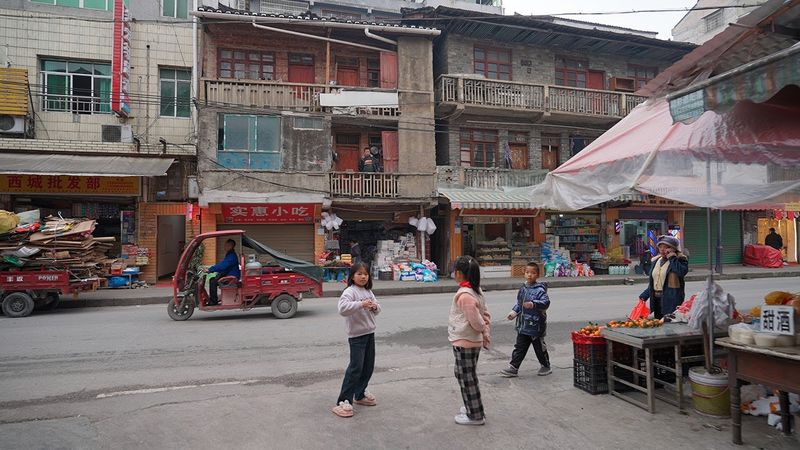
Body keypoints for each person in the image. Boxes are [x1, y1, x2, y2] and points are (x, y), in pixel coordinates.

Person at [332, 262, 381, 418]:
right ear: (352, 276)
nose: (363, 276)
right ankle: (343, 400)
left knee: (368, 367)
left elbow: (378, 308)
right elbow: (343, 309)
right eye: (359, 274)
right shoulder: (350, 292)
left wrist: (374, 307)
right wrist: (361, 304)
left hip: (369, 333)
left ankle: (359, 394)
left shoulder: (368, 291)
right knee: (355, 368)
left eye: (365, 274)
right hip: (356, 336)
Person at [449, 255, 491, 426]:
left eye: (454, 272)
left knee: (466, 377)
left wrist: (483, 330)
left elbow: (476, 320)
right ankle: (472, 406)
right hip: (471, 341)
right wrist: (485, 331)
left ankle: (475, 415)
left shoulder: (465, 295)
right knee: (466, 375)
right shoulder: (476, 290)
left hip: (465, 341)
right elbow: (485, 315)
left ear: (459, 273)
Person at [500, 262, 551, 378]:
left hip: (535, 326)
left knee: (539, 348)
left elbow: (546, 303)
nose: (529, 275)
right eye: (528, 272)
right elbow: (519, 304)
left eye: (533, 273)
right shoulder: (523, 289)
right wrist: (513, 312)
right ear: (524, 273)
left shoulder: (540, 290)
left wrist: (533, 304)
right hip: (523, 325)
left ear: (537, 275)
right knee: (519, 347)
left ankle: (546, 365)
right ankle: (514, 367)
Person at [639, 235, 689, 319]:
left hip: (671, 301)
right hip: (656, 300)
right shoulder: (656, 261)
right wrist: (644, 296)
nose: (662, 249)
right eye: (660, 247)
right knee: (658, 325)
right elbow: (654, 282)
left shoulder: (680, 260)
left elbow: (681, 272)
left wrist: (672, 258)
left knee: (670, 328)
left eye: (666, 247)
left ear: (673, 249)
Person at [205, 239, 240, 306]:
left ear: (230, 246)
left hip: (231, 278)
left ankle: (213, 301)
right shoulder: (229, 255)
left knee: (213, 281)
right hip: (229, 275)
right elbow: (222, 265)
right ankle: (213, 300)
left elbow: (223, 266)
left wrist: (210, 269)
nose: (224, 247)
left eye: (226, 245)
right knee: (214, 279)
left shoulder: (231, 256)